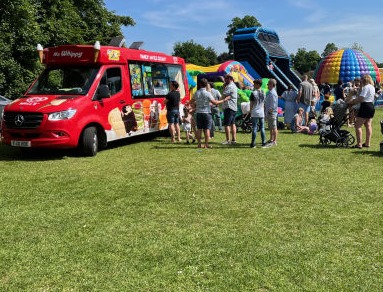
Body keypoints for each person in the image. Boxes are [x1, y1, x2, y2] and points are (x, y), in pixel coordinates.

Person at [192, 78, 225, 148]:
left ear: (200, 84)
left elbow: (192, 102)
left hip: (198, 113)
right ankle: (206, 144)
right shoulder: (208, 93)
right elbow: (215, 102)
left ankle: (199, 144)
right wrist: (224, 100)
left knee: (199, 129)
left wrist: (194, 105)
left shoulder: (196, 93)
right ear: (206, 84)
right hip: (207, 112)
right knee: (207, 129)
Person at [350, 74, 376, 148]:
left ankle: (359, 144)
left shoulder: (366, 87)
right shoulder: (372, 87)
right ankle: (367, 143)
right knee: (368, 125)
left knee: (358, 125)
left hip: (365, 106)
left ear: (364, 80)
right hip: (371, 105)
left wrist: (352, 101)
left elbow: (361, 98)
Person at [221, 74, 238, 145]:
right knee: (233, 124)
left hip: (229, 107)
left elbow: (223, 95)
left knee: (226, 125)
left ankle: (228, 140)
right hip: (234, 107)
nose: (224, 80)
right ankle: (233, 140)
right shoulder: (234, 85)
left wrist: (217, 101)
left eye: (225, 79)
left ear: (229, 79)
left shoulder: (229, 86)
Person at [249, 79, 266, 148]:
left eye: (255, 84)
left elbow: (251, 103)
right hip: (261, 111)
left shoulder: (253, 93)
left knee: (255, 127)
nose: (253, 85)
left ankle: (253, 143)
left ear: (258, 84)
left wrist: (250, 111)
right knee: (262, 127)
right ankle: (263, 142)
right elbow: (264, 103)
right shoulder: (264, 92)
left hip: (255, 111)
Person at [263, 78, 278, 147]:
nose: (267, 85)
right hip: (269, 112)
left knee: (274, 127)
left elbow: (273, 105)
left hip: (271, 113)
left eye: (268, 84)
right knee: (271, 127)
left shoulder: (272, 93)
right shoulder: (270, 92)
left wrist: (269, 112)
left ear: (272, 84)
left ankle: (274, 141)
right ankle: (271, 139)